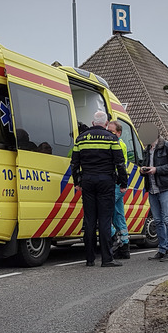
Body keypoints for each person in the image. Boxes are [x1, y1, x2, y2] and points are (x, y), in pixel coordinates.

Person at [71, 111, 128, 267]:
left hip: (87, 181)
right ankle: (107, 259)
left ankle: (89, 259)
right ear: (105, 123)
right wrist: (123, 183)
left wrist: (77, 182)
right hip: (106, 182)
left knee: (89, 220)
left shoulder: (81, 138)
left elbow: (74, 163)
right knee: (104, 220)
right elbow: (120, 163)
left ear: (92, 122)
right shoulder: (111, 138)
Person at [140, 131, 168, 262]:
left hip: (166, 187)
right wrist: (143, 170)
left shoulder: (167, 146)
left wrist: (157, 169)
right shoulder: (147, 150)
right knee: (157, 220)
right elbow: (145, 165)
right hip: (152, 188)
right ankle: (162, 249)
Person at [106, 121, 130, 259]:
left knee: (104, 212)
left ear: (119, 133)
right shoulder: (122, 144)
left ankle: (115, 237)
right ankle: (125, 245)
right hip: (120, 183)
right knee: (119, 215)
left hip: (115, 183)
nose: (109, 133)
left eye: (112, 131)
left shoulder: (117, 144)